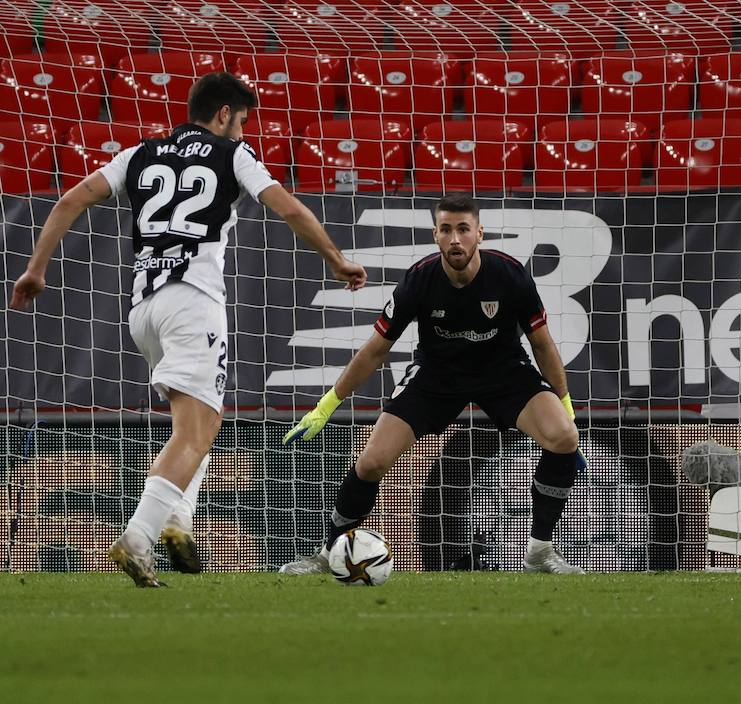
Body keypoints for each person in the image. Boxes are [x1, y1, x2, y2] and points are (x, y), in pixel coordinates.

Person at [8, 73, 367, 587]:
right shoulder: (231, 154)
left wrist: (36, 269)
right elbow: (287, 206)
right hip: (193, 302)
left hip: (144, 307)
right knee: (196, 432)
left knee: (199, 426)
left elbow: (68, 202)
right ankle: (139, 537)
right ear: (224, 114)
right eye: (242, 121)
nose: (243, 132)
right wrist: (335, 258)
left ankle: (179, 518)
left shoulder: (138, 153)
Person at [279, 193, 586, 575]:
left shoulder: (510, 275)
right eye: (446, 230)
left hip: (504, 372)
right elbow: (374, 351)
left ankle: (539, 551)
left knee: (563, 438)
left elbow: (542, 343)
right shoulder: (419, 279)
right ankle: (328, 554)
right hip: (435, 376)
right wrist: (327, 404)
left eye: (463, 229)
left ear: (479, 234)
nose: (455, 238)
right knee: (372, 461)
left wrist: (567, 408)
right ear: (435, 235)